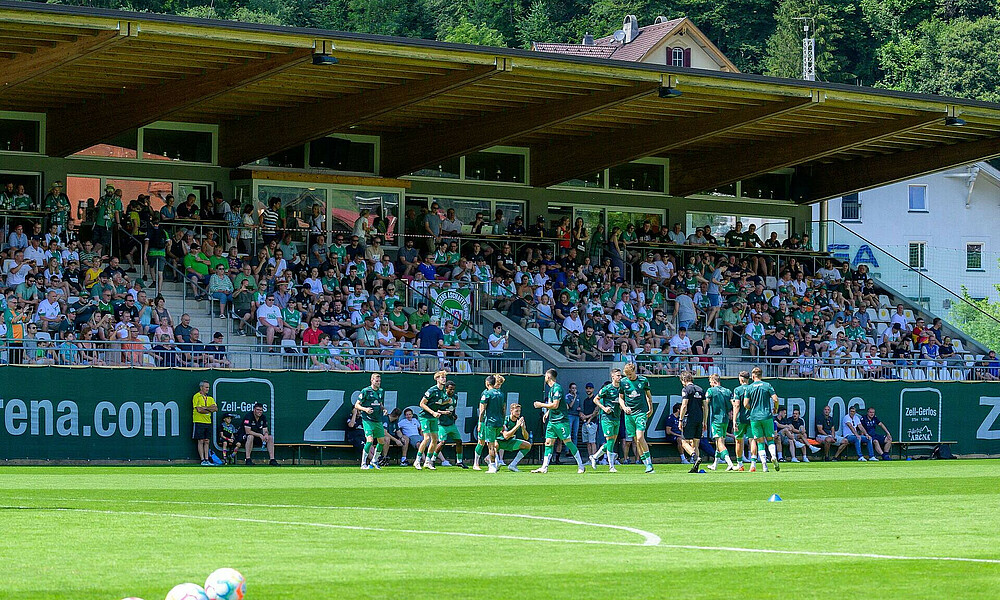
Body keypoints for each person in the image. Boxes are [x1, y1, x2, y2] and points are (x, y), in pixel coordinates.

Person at [532, 368, 586, 474]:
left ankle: (581, 465)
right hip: (552, 421)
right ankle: (544, 467)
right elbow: (552, 405)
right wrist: (547, 413)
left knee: (568, 442)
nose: (544, 378)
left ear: (549, 376)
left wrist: (540, 405)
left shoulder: (557, 388)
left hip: (561, 420)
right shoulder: (551, 390)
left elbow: (555, 405)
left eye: (545, 376)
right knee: (548, 442)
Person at [619, 362, 655, 473]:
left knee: (640, 437)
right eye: (627, 375)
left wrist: (651, 408)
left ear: (634, 371)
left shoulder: (643, 380)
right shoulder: (623, 382)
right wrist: (624, 407)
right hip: (629, 415)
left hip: (641, 412)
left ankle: (649, 463)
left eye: (630, 374)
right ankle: (647, 465)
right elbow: (621, 398)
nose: (628, 377)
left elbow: (648, 396)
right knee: (636, 441)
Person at [744, 367, 781, 472]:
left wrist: (752, 409)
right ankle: (773, 456)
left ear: (753, 375)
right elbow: (775, 399)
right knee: (770, 439)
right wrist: (776, 408)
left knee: (760, 441)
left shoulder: (750, 387)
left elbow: (745, 404)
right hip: (767, 416)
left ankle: (764, 466)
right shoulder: (767, 385)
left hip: (755, 417)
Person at [587, 369, 623, 472]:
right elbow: (595, 399)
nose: (620, 378)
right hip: (607, 418)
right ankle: (611, 466)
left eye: (620, 376)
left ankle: (594, 457)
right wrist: (604, 408)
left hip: (617, 417)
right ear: (613, 377)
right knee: (610, 441)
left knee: (611, 442)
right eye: (618, 376)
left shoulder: (621, 389)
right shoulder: (607, 388)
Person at [415, 370, 449, 470]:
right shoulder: (432, 390)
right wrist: (433, 412)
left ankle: (427, 461)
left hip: (434, 417)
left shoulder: (443, 391)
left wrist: (443, 409)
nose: (444, 379)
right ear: (437, 379)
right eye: (442, 377)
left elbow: (438, 404)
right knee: (426, 438)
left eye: (445, 377)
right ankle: (417, 460)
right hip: (425, 416)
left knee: (435, 439)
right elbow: (422, 404)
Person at [354, 372, 387, 470]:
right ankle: (363, 463)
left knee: (382, 441)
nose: (378, 383)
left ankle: (374, 460)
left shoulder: (381, 391)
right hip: (367, 420)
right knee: (370, 440)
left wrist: (383, 409)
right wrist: (365, 409)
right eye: (376, 381)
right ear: (372, 380)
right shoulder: (365, 391)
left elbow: (380, 404)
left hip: (378, 420)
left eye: (379, 381)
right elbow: (357, 405)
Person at [433, 381, 468, 468]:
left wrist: (454, 415)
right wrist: (444, 412)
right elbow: (435, 410)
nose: (452, 391)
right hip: (442, 424)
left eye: (453, 389)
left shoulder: (455, 397)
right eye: (450, 389)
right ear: (446, 388)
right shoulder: (442, 397)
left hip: (451, 424)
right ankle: (432, 460)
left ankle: (459, 461)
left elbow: (453, 408)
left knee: (459, 441)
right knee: (442, 442)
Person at [677, 370, 707, 473]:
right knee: (696, 443)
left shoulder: (686, 389)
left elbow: (684, 405)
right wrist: (705, 421)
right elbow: (705, 407)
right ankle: (696, 468)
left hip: (689, 418)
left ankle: (694, 457)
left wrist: (680, 419)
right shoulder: (700, 389)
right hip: (699, 418)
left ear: (684, 380)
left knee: (684, 442)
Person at [705, 373, 736, 471]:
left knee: (719, 442)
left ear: (714, 381)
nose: (710, 384)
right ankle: (715, 464)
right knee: (720, 441)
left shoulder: (711, 391)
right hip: (725, 419)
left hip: (716, 419)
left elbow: (706, 404)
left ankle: (729, 463)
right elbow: (734, 405)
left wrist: (704, 419)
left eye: (710, 382)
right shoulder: (728, 391)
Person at [479, 374, 507, 473]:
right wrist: (503, 421)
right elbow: (504, 409)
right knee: (495, 443)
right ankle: (497, 461)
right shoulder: (501, 394)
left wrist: (480, 422)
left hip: (490, 422)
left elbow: (482, 411)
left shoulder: (487, 394)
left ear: (487, 383)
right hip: (499, 422)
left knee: (490, 445)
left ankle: (492, 466)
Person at [497, 402, 532, 472]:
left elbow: (526, 437)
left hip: (510, 442)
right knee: (493, 444)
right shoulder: (505, 420)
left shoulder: (519, 421)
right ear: (511, 411)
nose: (518, 413)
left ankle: (513, 465)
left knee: (527, 445)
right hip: (499, 442)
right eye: (516, 411)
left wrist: (523, 428)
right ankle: (491, 461)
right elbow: (506, 436)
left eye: (519, 411)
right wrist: (517, 426)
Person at [730, 371, 755, 470]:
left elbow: (736, 405)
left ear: (741, 379)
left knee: (739, 441)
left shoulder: (737, 389)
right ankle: (753, 463)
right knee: (752, 440)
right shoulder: (752, 388)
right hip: (751, 418)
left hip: (740, 418)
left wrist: (734, 420)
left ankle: (740, 464)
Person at [192, 380, 217, 466]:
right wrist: (209, 408)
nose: (207, 389)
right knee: (200, 441)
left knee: (207, 441)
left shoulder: (210, 398)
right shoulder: (196, 396)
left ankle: (207, 459)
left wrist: (205, 408)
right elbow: (199, 410)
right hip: (199, 421)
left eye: (208, 387)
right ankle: (202, 460)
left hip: (208, 421)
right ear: (201, 387)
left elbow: (215, 409)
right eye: (206, 387)